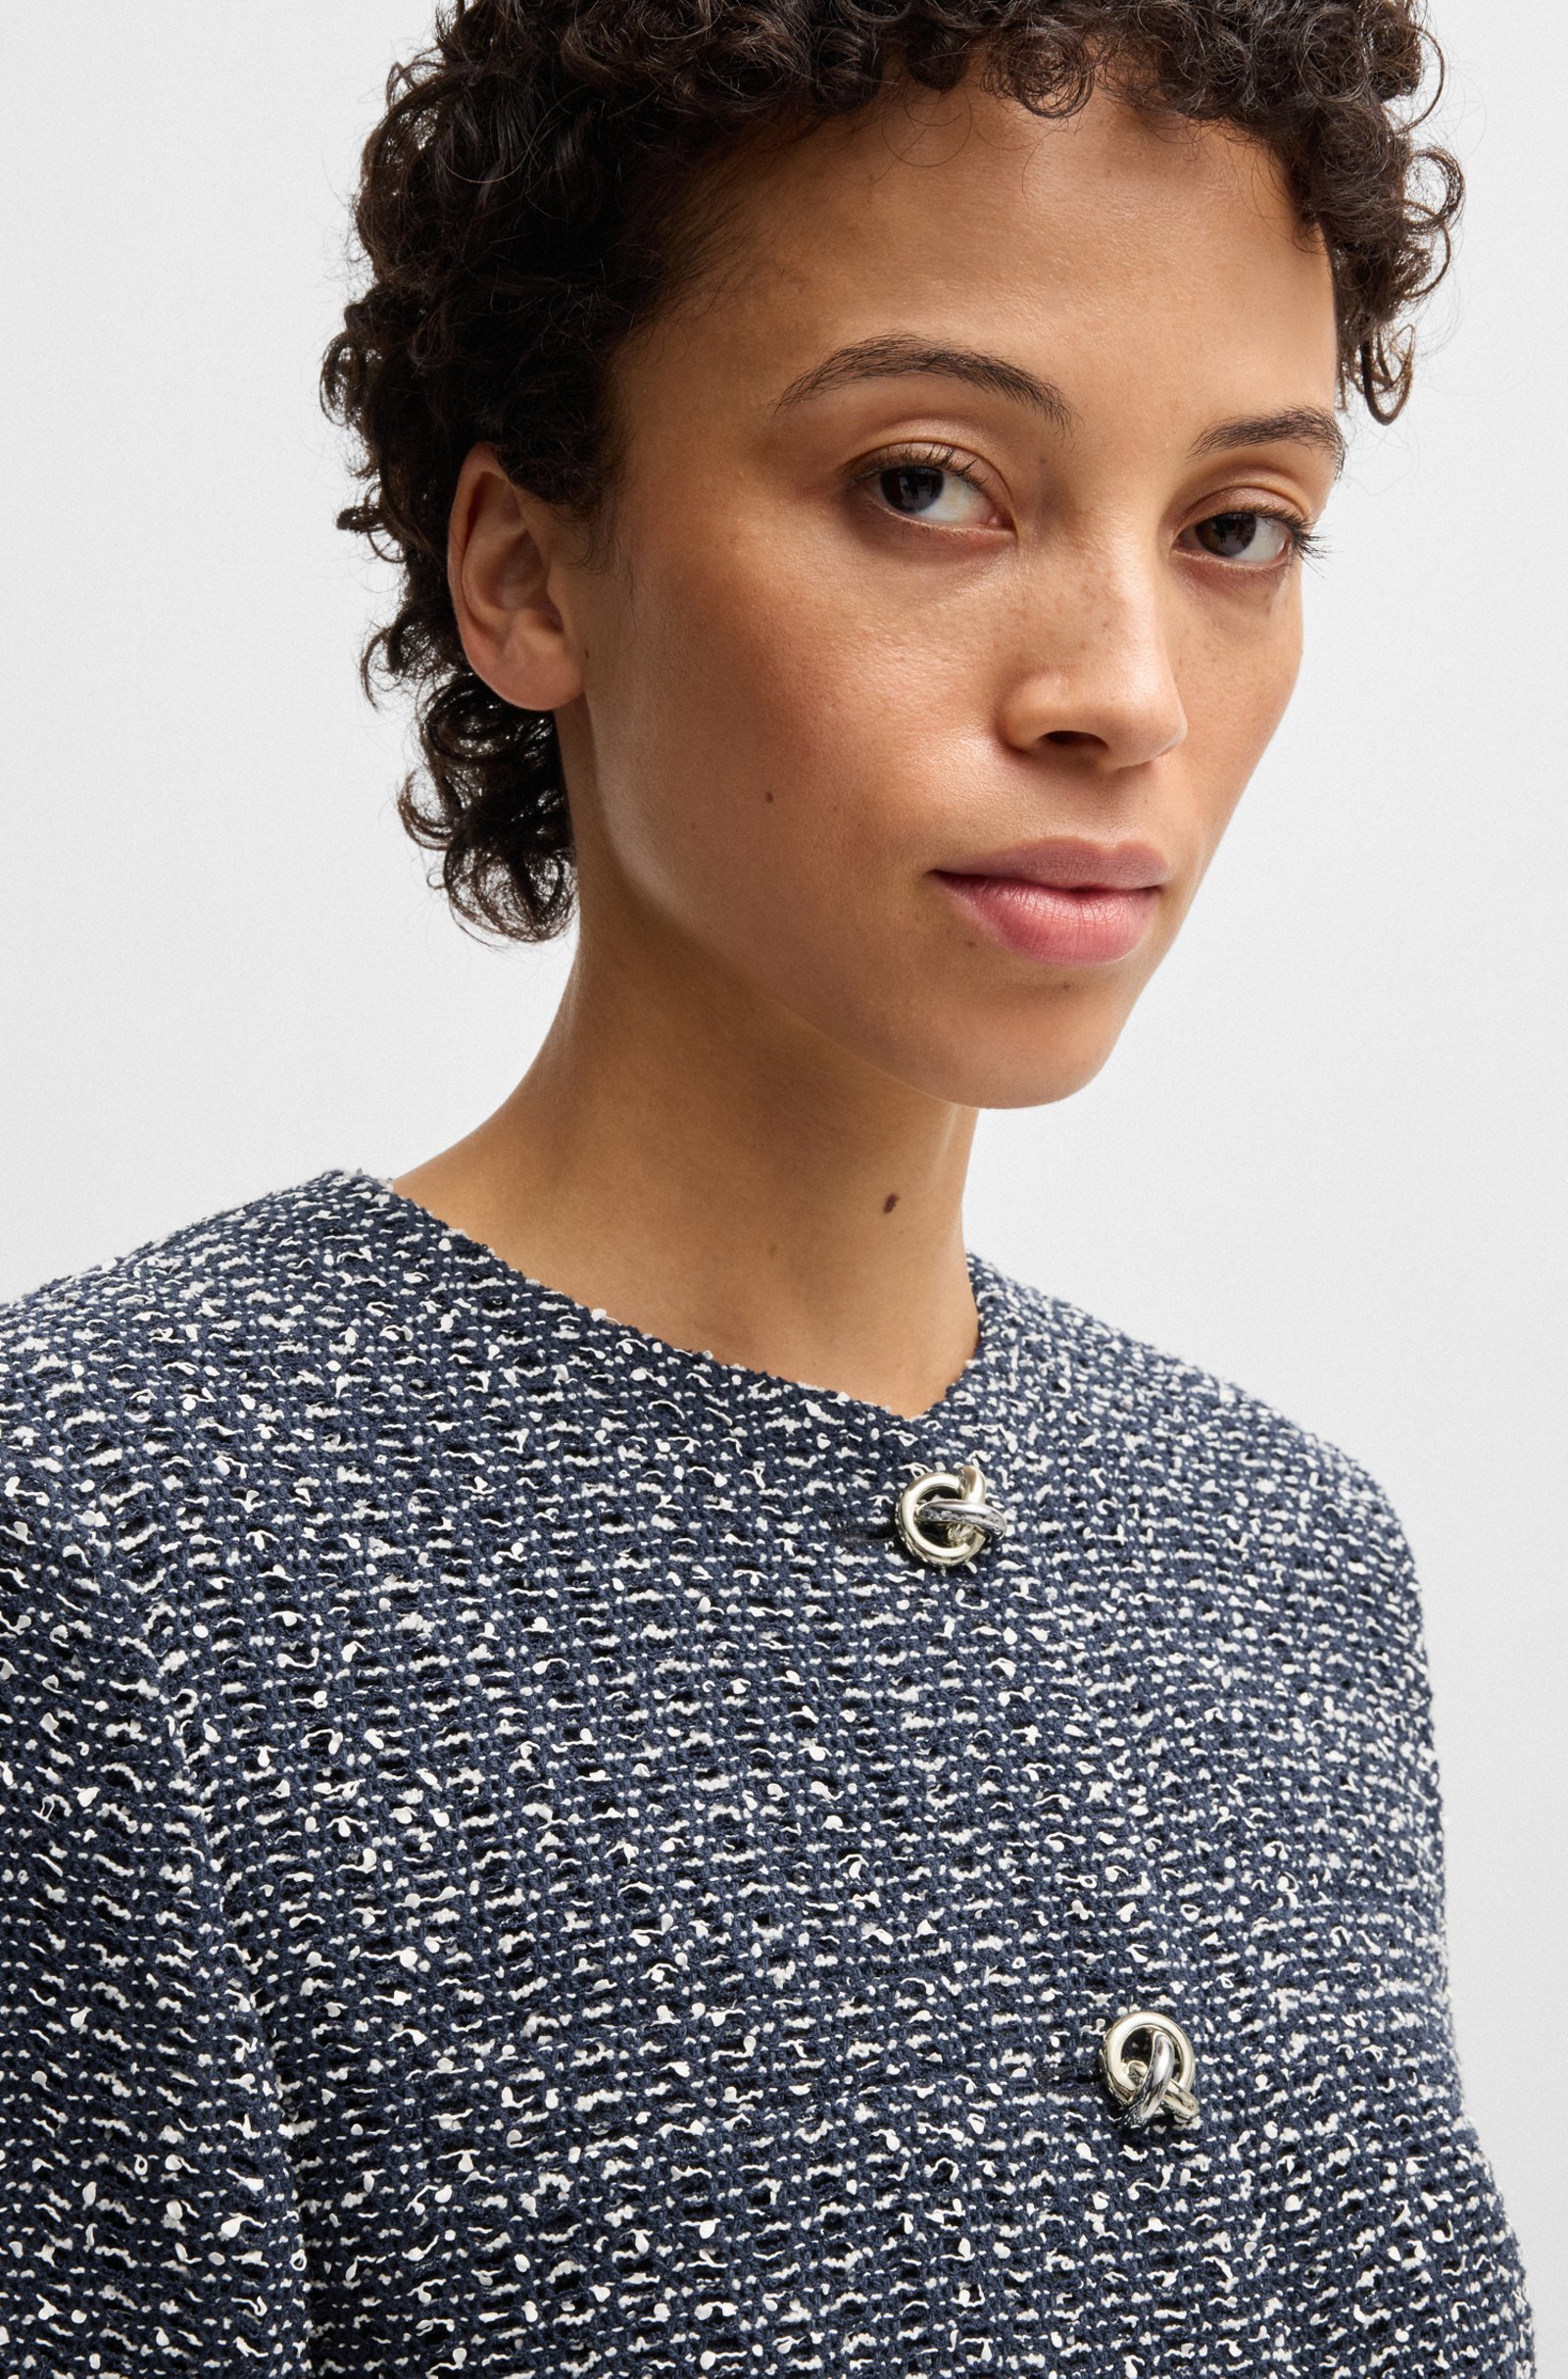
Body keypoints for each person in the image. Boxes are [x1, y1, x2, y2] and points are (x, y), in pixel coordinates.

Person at [0, 1, 1537, 2371]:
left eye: (1234, 526)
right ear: (527, 568)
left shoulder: (1281, 1566)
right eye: (926, 483)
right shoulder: (119, 1540)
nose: (1124, 688)